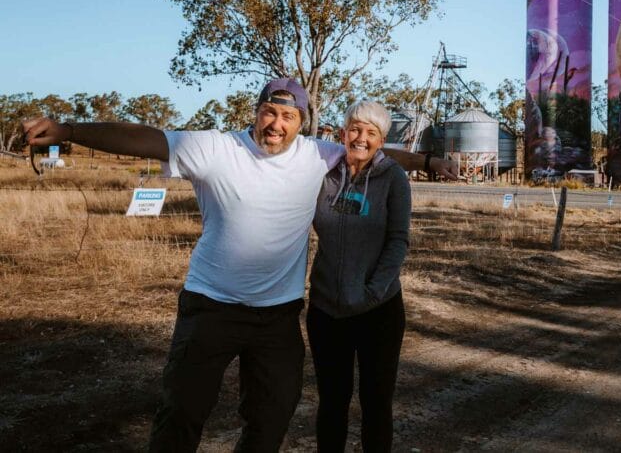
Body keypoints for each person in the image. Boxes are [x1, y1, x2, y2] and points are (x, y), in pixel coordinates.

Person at [21, 78, 455, 453]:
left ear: (302, 122)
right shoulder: (216, 147)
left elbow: (376, 153)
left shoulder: (317, 154)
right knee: (182, 415)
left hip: (278, 319)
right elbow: (148, 138)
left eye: (288, 117)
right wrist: (69, 130)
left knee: (270, 422)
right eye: (269, 112)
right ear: (256, 111)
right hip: (211, 307)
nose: (276, 125)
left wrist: (430, 162)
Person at [305, 100, 410, 452]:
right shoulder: (324, 175)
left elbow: (398, 241)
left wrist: (372, 292)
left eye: (371, 132)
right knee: (332, 403)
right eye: (355, 129)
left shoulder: (393, 178)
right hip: (326, 311)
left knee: (375, 405)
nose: (361, 138)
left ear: (382, 140)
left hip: (376, 311)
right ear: (342, 133)